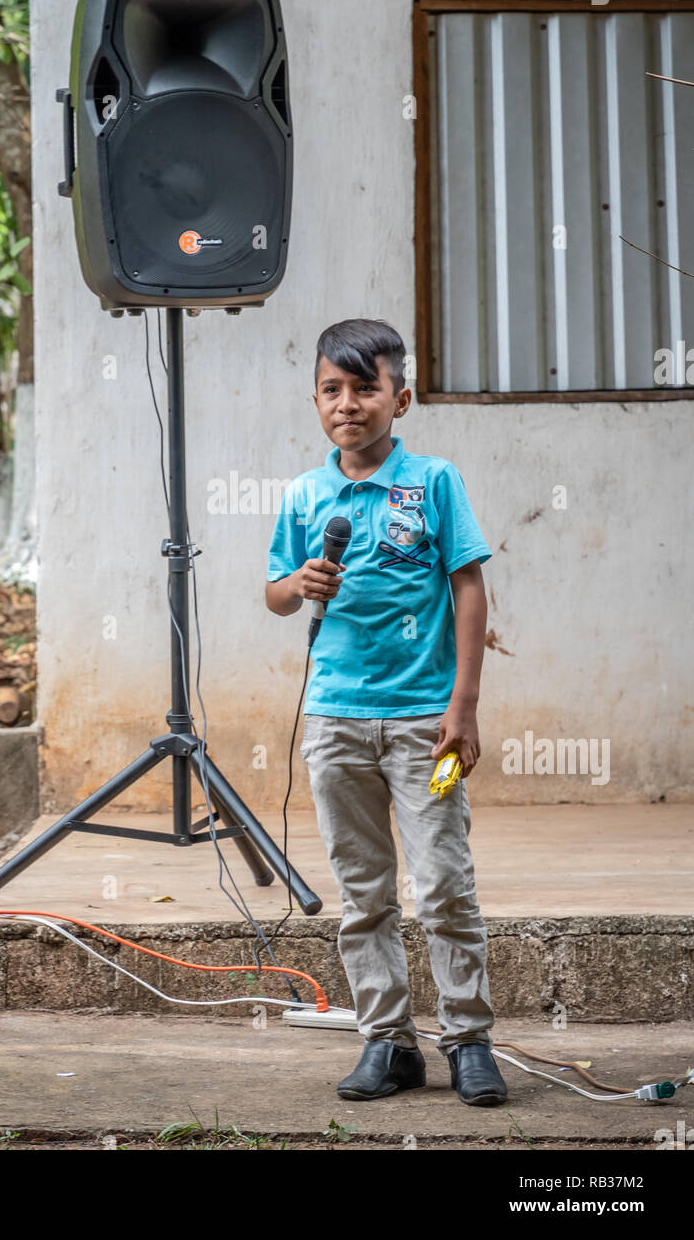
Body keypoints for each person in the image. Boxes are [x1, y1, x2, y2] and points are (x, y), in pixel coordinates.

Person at [265, 318, 507, 1107]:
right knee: (363, 889)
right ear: (314, 402)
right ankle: (388, 1042)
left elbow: (469, 587)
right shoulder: (306, 495)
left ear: (399, 398)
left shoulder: (434, 483)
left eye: (365, 388)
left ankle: (469, 1040)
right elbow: (271, 594)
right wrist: (297, 584)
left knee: (443, 882)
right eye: (333, 389)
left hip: (421, 724)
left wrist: (462, 705)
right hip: (335, 722)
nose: (348, 403)